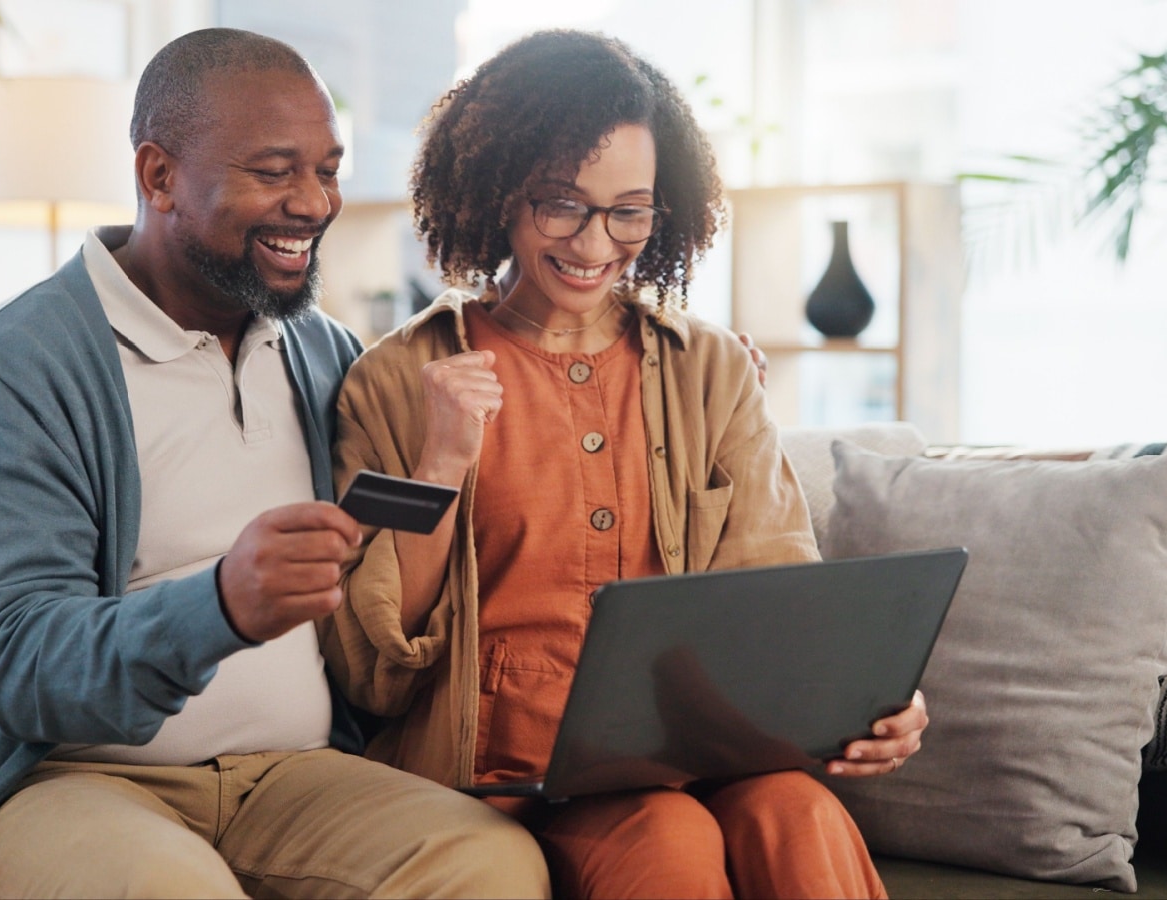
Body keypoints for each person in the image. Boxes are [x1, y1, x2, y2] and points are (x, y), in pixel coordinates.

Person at [0, 27, 550, 900]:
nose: (315, 203)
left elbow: (387, 579)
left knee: (492, 863)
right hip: (74, 780)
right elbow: (15, 659)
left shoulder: (324, 352)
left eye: (327, 168)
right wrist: (220, 606)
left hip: (292, 775)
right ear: (159, 175)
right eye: (274, 171)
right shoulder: (20, 367)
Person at [319, 29, 926, 900]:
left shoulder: (710, 368)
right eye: (561, 204)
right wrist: (441, 459)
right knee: (665, 834)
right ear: (498, 194)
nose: (596, 242)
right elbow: (375, 669)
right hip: (506, 773)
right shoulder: (398, 380)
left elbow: (779, 595)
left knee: (799, 812)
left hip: (700, 747)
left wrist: (872, 702)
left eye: (629, 210)